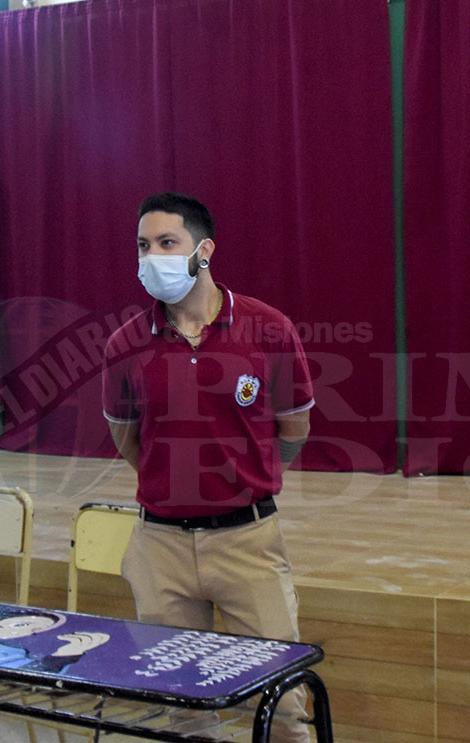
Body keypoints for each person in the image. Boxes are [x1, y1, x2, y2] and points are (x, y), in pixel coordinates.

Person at [101, 192, 313, 742]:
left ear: (204, 250)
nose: (152, 257)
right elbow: (128, 438)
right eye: (143, 245)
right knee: (183, 709)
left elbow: (294, 428)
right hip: (160, 548)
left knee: (283, 705)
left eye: (167, 242)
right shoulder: (125, 344)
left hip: (248, 542)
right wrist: (175, 482)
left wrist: (248, 476)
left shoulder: (268, 328)